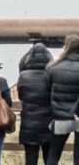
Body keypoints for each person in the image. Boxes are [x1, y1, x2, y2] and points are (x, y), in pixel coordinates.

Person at [17, 43, 53, 165]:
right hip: (48, 124)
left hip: (29, 125)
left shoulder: (23, 76)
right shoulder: (52, 75)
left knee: (30, 160)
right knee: (49, 159)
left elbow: (21, 96)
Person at [45, 34, 79, 165]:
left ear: (66, 47)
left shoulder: (54, 67)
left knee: (53, 155)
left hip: (60, 117)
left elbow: (48, 91)